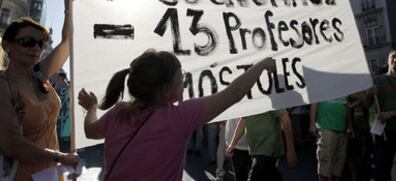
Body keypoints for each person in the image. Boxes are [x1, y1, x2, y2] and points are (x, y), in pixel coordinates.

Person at [78, 50, 276, 180]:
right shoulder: (179, 117)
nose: (184, 81)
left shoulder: (119, 112)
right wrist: (262, 64)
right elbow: (234, 93)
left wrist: (92, 108)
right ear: (165, 89)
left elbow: (90, 131)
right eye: (180, 77)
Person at [0, 0, 79, 180]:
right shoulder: (3, 84)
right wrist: (61, 157)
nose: (36, 48)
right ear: (7, 45)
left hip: (51, 172)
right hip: (23, 174)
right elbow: (11, 144)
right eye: (27, 42)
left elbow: (67, 43)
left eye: (41, 43)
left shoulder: (39, 74)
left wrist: (68, 4)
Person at [364, 48, 396, 181]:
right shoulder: (377, 80)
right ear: (388, 60)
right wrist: (369, 94)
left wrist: (393, 113)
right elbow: (366, 105)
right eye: (393, 57)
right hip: (383, 132)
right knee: (381, 170)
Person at [226, 110, 297, 181]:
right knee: (271, 175)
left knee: (254, 176)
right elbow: (243, 120)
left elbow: (286, 119)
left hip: (268, 147)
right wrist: (233, 143)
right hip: (255, 148)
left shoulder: (271, 99)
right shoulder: (248, 100)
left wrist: (291, 150)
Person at [309, 97, 350, 181]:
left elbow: (347, 105)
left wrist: (350, 125)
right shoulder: (320, 84)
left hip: (342, 129)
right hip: (326, 127)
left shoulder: (344, 85)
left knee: (338, 164)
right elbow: (314, 103)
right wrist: (312, 124)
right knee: (325, 163)